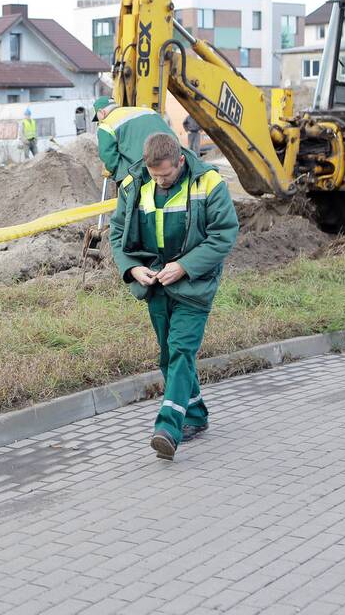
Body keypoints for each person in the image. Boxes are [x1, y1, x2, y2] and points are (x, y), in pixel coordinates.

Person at [109, 132, 239, 461]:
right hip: (155, 283)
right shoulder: (132, 185)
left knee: (181, 350)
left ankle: (168, 428)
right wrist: (132, 269)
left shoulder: (209, 183)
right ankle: (195, 413)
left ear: (180, 161)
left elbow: (224, 234)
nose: (160, 181)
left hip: (195, 284)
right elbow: (116, 234)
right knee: (168, 356)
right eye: (155, 176)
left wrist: (183, 266)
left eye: (166, 175)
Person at [92, 96, 174, 184]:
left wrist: (119, 174)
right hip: (170, 164)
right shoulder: (148, 111)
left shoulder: (106, 124)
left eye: (98, 119)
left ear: (101, 112)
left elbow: (108, 156)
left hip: (141, 173)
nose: (98, 122)